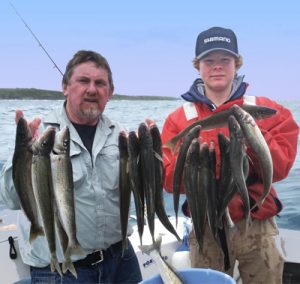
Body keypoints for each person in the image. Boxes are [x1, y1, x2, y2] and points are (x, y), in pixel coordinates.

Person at [161, 27, 299, 283]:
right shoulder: (178, 119)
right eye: (208, 61)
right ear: (198, 66)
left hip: (256, 222)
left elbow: (279, 169)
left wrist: (252, 137)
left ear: (236, 63)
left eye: (225, 60)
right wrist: (197, 158)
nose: (217, 67)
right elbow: (170, 181)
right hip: (206, 227)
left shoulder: (268, 109)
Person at [0, 50, 142, 283]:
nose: (92, 89)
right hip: (60, 270)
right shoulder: (40, 132)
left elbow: (139, 188)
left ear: (110, 92)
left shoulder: (120, 135)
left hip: (121, 259)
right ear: (65, 86)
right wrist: (23, 154)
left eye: (100, 83)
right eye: (83, 81)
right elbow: (12, 199)